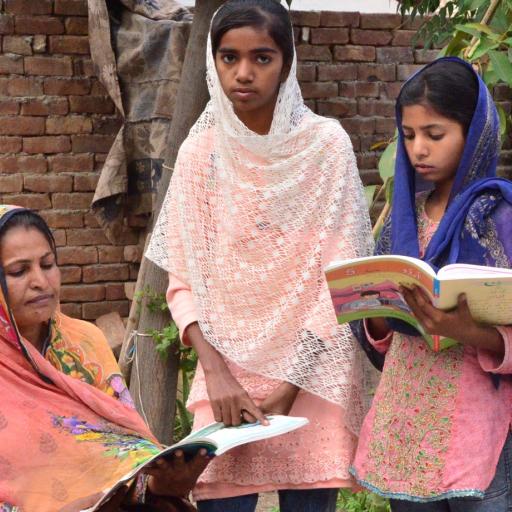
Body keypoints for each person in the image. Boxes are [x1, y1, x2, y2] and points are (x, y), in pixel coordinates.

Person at [145, 0, 374, 510]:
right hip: (224, 375)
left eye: (262, 58)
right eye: (229, 58)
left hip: (313, 372)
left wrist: (293, 381)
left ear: (287, 63)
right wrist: (216, 372)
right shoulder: (199, 154)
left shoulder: (325, 146)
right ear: (213, 62)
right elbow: (182, 279)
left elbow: (342, 277)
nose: (243, 73)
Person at [351, 57, 512, 511]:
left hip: (476, 431)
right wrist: (379, 318)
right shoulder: (400, 224)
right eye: (409, 135)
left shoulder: (500, 220)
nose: (418, 149)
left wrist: (466, 332)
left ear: (474, 132)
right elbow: (382, 340)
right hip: (407, 425)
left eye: (434, 135)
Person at [0, 205, 209, 512]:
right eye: (19, 271)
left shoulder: (85, 343)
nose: (40, 282)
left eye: (48, 264)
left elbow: (122, 451)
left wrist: (160, 483)